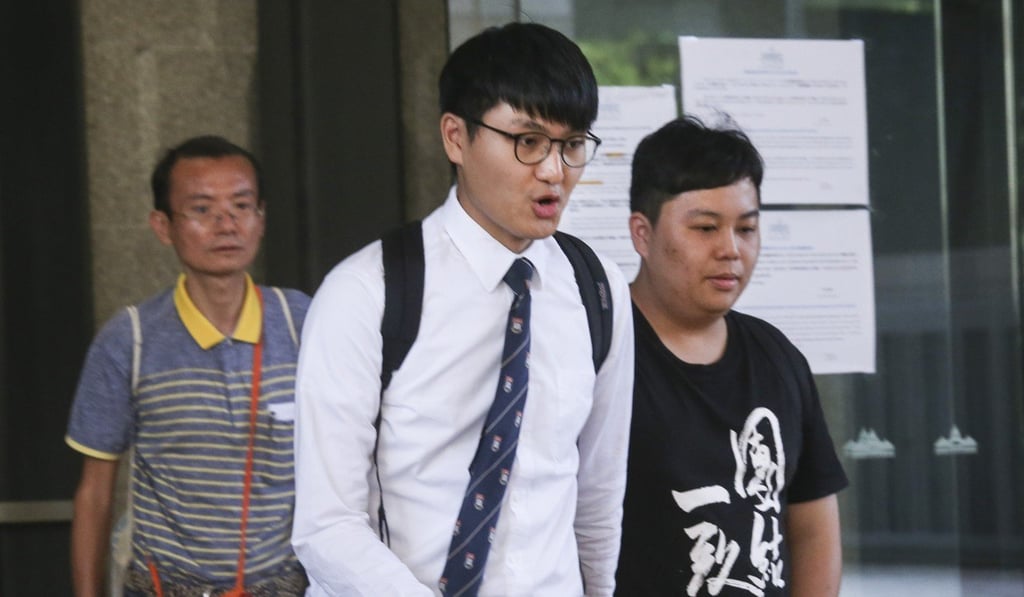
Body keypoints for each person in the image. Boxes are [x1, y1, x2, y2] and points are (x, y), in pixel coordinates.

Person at [291, 22, 634, 597]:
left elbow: (598, 494)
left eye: (572, 144)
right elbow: (326, 526)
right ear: (456, 137)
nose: (554, 170)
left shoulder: (598, 291)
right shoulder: (368, 292)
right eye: (527, 141)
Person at [66, 135, 311, 597]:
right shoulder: (130, 340)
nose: (226, 224)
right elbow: (95, 493)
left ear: (261, 217)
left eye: (242, 205)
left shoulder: (304, 322)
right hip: (164, 587)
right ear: (163, 226)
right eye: (202, 209)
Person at [615, 116, 848, 597]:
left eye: (746, 228)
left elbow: (811, 527)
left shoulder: (778, 358)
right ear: (643, 233)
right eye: (705, 228)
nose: (730, 250)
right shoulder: (599, 353)